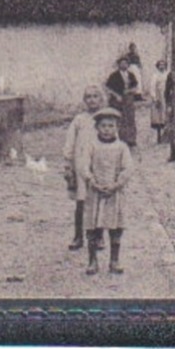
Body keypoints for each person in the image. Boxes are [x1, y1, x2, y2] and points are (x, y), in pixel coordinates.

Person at [81, 108, 134, 275]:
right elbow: (84, 166)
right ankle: (92, 261)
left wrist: (116, 185)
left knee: (115, 227)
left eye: (111, 126)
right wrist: (92, 181)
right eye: (103, 126)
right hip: (94, 193)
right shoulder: (91, 146)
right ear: (97, 127)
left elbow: (127, 169)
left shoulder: (122, 147)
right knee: (92, 228)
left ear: (117, 127)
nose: (107, 129)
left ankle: (114, 260)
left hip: (115, 194)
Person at [61, 85, 104, 252]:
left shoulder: (105, 118)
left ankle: (98, 236)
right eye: (88, 97)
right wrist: (68, 165)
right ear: (85, 100)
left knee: (99, 201)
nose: (92, 100)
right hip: (81, 165)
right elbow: (70, 144)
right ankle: (78, 236)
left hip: (100, 165)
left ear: (100, 99)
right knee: (81, 202)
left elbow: (114, 141)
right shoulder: (79, 120)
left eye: (95, 96)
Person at [104, 56, 141, 148]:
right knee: (120, 119)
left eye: (126, 63)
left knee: (130, 119)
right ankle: (120, 139)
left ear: (128, 65)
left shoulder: (131, 75)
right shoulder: (114, 75)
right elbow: (108, 87)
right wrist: (116, 95)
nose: (124, 65)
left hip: (128, 100)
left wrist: (130, 91)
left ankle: (131, 139)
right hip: (118, 100)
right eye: (122, 63)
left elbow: (135, 86)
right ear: (118, 64)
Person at [148, 58, 171, 152]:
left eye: (163, 64)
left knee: (167, 115)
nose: (162, 66)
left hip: (167, 96)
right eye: (160, 65)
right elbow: (152, 88)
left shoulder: (168, 74)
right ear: (157, 66)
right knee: (158, 117)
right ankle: (159, 136)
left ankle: (167, 135)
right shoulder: (155, 76)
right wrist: (154, 98)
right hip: (159, 96)